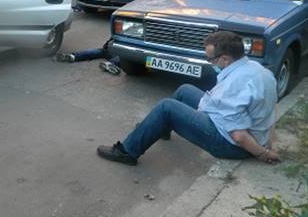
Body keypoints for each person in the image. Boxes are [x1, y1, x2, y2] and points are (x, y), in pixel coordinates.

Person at [96, 31, 280, 166]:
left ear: (225, 59)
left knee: (166, 107)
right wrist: (265, 140)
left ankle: (127, 152)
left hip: (229, 145)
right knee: (185, 90)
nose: (210, 63)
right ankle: (161, 128)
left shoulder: (234, 85)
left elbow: (239, 136)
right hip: (240, 129)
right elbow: (267, 111)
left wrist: (262, 153)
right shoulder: (258, 70)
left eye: (210, 59)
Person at [56, 39, 121, 75]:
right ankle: (110, 64)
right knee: (123, 57)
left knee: (99, 51)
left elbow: (108, 42)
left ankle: (73, 56)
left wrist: (106, 46)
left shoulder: (119, 28)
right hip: (119, 52)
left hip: (109, 48)